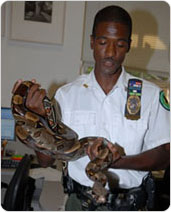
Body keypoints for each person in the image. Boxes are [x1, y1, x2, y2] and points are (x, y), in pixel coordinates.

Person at [12, 5, 170, 211]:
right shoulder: (66, 96)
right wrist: (38, 117)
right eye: (103, 42)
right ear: (92, 42)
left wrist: (115, 162)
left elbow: (164, 158)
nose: (111, 53)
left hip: (131, 205)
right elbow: (45, 160)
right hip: (79, 203)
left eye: (120, 44)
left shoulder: (149, 95)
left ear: (129, 46)